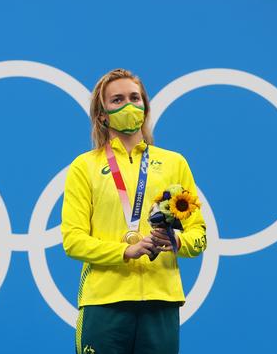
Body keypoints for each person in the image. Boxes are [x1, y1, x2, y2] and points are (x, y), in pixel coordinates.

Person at [61, 68, 207, 354]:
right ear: (102, 114)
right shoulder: (85, 166)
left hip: (161, 301)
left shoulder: (174, 163)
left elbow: (199, 236)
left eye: (134, 97)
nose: (128, 105)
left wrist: (175, 241)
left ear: (145, 107)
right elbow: (73, 240)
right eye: (117, 100)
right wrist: (124, 252)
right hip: (104, 302)